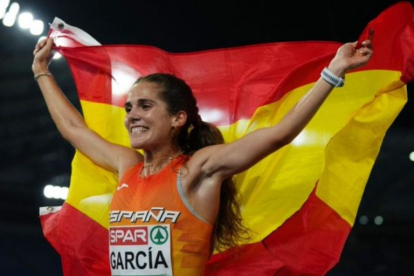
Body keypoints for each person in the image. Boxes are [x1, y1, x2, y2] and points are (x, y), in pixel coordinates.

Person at [32, 31, 373, 276]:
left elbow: (278, 135)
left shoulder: (197, 170)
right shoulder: (127, 166)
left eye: (145, 106)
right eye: (129, 107)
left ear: (178, 119)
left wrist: (333, 72)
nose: (132, 115)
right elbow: (75, 130)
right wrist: (42, 72)